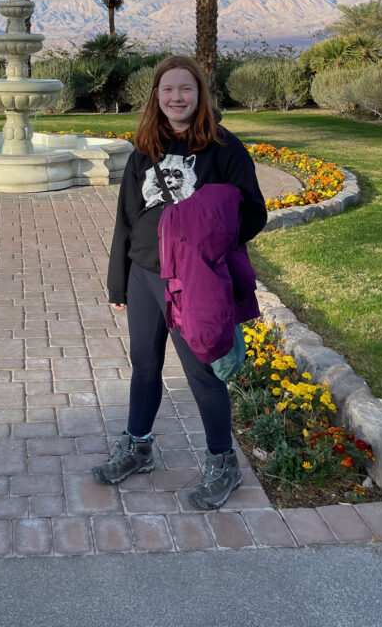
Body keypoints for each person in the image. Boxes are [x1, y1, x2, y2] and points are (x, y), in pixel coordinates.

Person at [91, 54, 268, 509]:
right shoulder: (143, 151)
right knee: (145, 365)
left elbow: (253, 214)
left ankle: (222, 462)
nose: (176, 97)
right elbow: (126, 221)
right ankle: (139, 446)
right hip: (145, 276)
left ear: (199, 94)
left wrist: (206, 245)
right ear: (156, 96)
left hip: (193, 280)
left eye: (185, 89)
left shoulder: (225, 149)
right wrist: (119, 283)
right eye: (167, 89)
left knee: (202, 371)